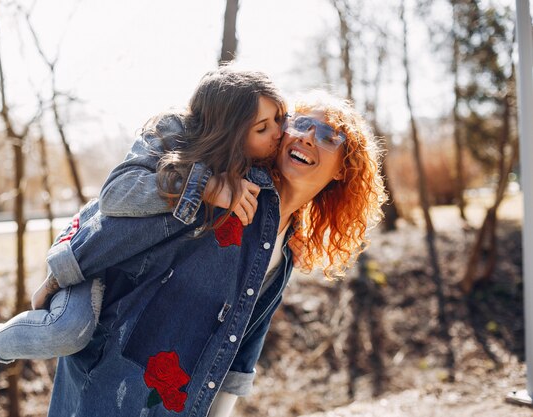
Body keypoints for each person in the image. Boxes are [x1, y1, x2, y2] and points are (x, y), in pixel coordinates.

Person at [0, 67, 286, 417]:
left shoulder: (252, 167)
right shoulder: (172, 133)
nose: (277, 134)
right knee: (67, 331)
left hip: (134, 278)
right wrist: (201, 187)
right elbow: (116, 194)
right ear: (228, 128)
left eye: (279, 121)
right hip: (95, 254)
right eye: (262, 127)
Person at [42, 90, 385, 416]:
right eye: (301, 124)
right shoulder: (228, 188)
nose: (308, 137)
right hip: (105, 373)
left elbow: (245, 345)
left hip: (177, 402)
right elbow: (123, 226)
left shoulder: (289, 246)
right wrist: (60, 274)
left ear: (343, 168)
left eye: (328, 136)